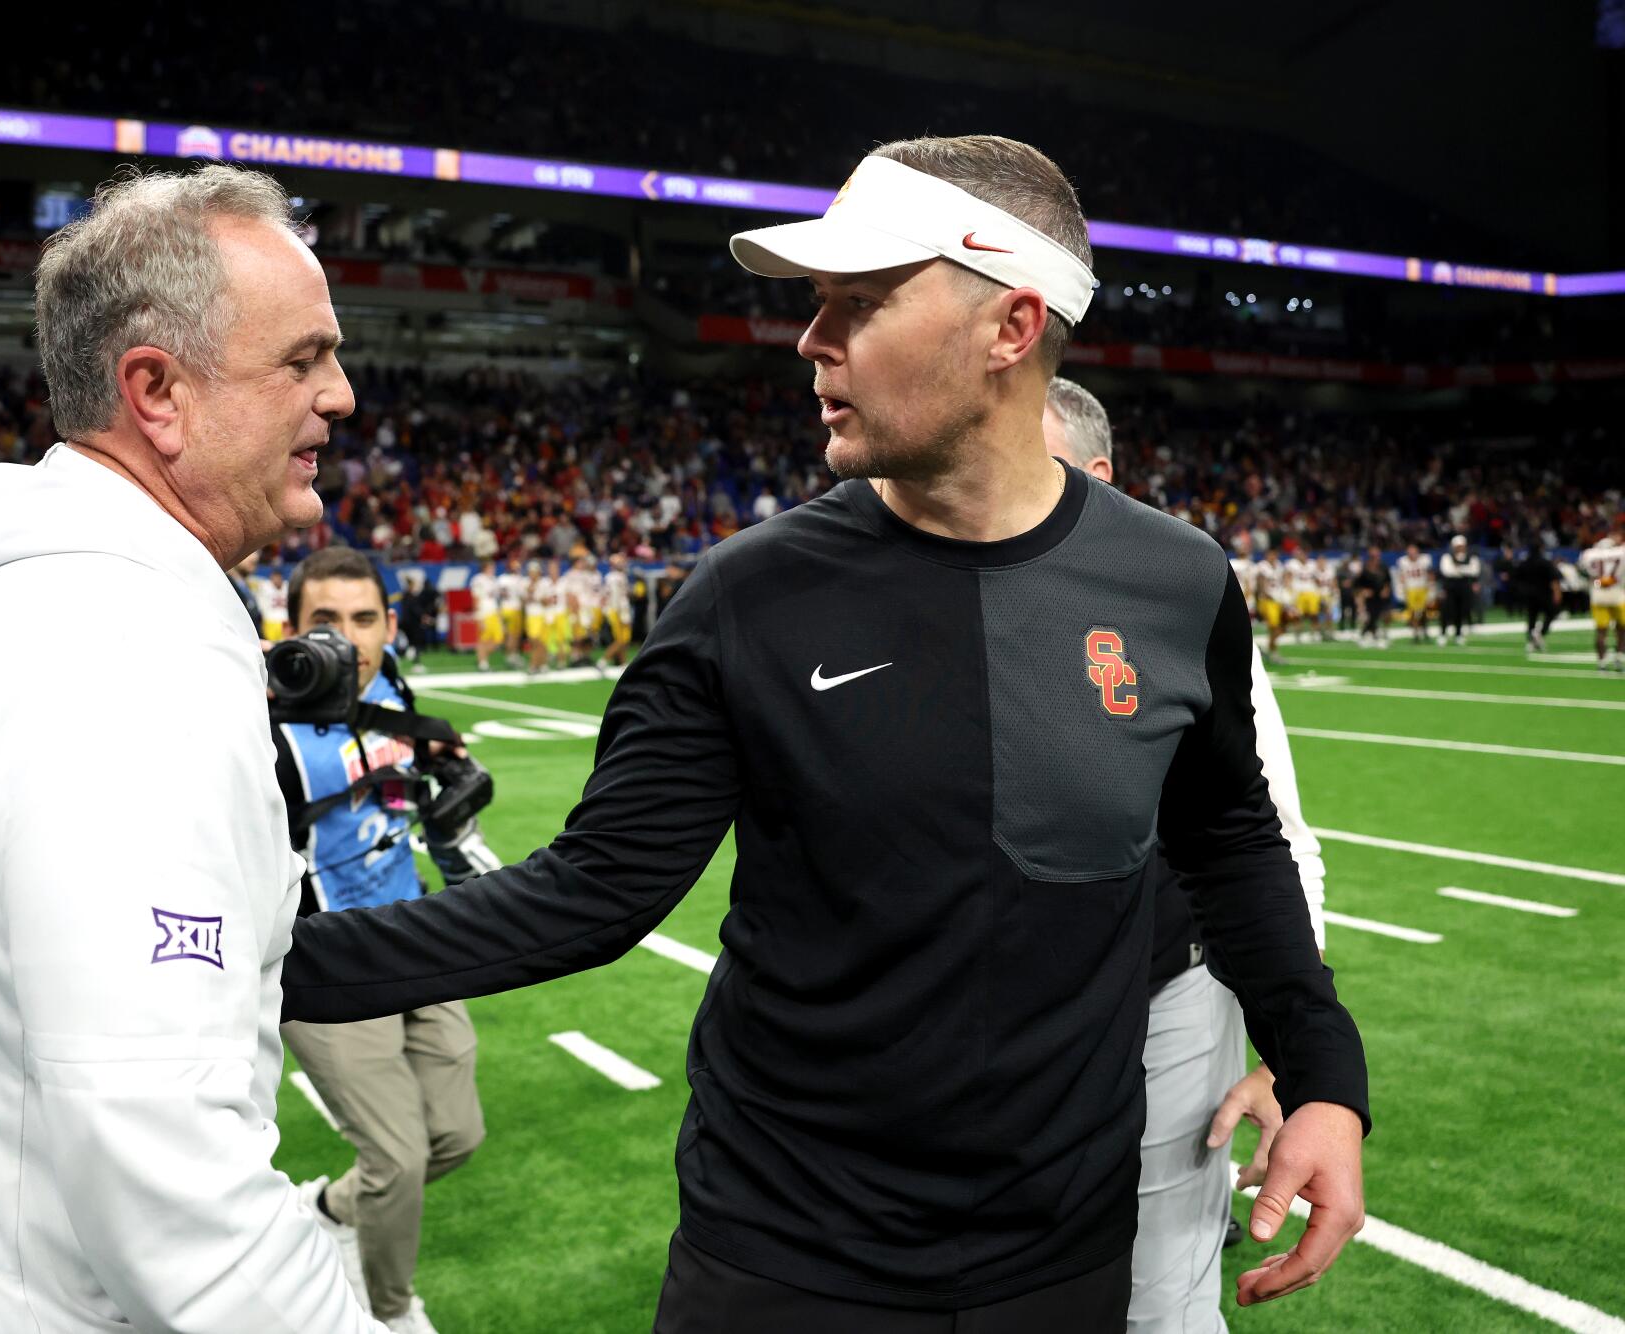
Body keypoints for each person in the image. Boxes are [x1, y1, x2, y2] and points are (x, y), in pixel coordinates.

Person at [282, 135, 1368, 1332]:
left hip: (1062, 1252)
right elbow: (591, 891)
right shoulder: (744, 594)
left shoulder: (1174, 582)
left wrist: (1323, 1078)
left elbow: (1227, 843)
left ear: (1010, 327)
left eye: (859, 302)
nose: (809, 340)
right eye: (815, 305)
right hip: (784, 1257)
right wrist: (260, 965)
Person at [0, 165, 383, 1333]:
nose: (342, 394)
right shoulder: (125, 660)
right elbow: (162, 1166)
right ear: (155, 391)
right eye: (302, 358)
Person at [1045, 377, 1328, 1333]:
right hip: (1018, 1015)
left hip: (1173, 988)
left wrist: (1287, 1059)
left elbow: (1272, 833)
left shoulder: (1176, 598)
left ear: (1099, 477)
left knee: (1160, 1300)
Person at [272, 546, 495, 1334]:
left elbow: (404, 778)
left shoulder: (391, 681)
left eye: (364, 619)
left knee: (457, 1136)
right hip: (327, 961)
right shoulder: (259, 723)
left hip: (414, 935)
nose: (347, 640)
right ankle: (389, 1313)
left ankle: (330, 1210)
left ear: (390, 626)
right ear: (288, 629)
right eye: (323, 622)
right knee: (396, 1160)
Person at [1576, 525, 1624, 670]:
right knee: (1622, 629)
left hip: (1598, 594)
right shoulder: (1621, 552)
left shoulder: (1589, 554)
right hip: (1617, 593)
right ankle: (1620, 658)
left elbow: (1581, 571)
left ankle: (1601, 662)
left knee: (1601, 631)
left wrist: (1596, 581)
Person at [1514, 541, 1564, 653]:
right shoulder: (1545, 562)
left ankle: (1531, 641)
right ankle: (1539, 634)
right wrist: (1557, 593)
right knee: (1551, 613)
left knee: (1531, 618)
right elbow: (1554, 579)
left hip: (1529, 595)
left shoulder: (1524, 562)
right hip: (1544, 594)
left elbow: (1516, 578)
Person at [1437, 535, 1482, 646]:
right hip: (1450, 587)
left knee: (1461, 612)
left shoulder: (1471, 557)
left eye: (1462, 546)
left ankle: (1458, 634)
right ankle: (1443, 634)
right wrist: (1464, 570)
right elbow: (1447, 571)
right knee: (1447, 611)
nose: (1460, 548)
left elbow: (1475, 571)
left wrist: (1458, 569)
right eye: (1458, 546)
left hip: (1464, 587)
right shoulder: (1447, 557)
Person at [1255, 547, 1291, 663]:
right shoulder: (1263, 566)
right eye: (1271, 554)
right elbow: (1260, 582)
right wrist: (1264, 594)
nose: (1273, 557)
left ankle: (1267, 649)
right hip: (1268, 601)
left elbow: (1283, 580)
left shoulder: (1279, 565)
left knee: (1283, 627)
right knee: (1275, 627)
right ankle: (1273, 653)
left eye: (1275, 554)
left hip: (1278, 600)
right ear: (1267, 555)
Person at [1353, 547, 1393, 648]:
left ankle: (1376, 634)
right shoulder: (1365, 568)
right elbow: (1357, 584)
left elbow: (1388, 581)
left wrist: (1386, 589)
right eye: (1373, 555)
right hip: (1370, 597)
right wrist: (1364, 591)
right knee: (1372, 616)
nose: (1376, 557)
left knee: (1383, 615)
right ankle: (1367, 635)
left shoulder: (1383, 566)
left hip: (1382, 596)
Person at [1396, 543, 1433, 642]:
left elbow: (1430, 575)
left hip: (1422, 588)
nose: (1412, 553)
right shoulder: (1403, 561)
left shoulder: (1425, 559)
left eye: (1414, 551)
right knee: (1413, 612)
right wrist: (1401, 590)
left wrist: (1431, 589)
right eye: (1410, 551)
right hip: (1411, 589)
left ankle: (1425, 631)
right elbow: (1402, 577)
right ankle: (1415, 634)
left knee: (1424, 612)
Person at [470, 560, 502, 670]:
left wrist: (498, 613)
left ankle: (481, 658)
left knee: (498, 639)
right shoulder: (478, 579)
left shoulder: (493, 580)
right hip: (484, 613)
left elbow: (494, 599)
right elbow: (476, 598)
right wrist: (478, 616)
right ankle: (483, 663)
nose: (493, 569)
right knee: (484, 639)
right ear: (485, 567)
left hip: (493, 613)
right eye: (491, 567)